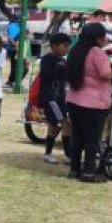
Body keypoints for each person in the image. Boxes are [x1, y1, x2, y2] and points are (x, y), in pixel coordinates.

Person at [65, 23, 112, 183]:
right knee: (92, 140)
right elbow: (106, 75)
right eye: (103, 36)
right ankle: (88, 172)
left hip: (74, 100)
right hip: (94, 104)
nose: (105, 39)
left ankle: (74, 169)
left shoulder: (75, 50)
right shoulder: (97, 53)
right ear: (97, 38)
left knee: (77, 137)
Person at [38, 32, 72, 164]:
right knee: (62, 124)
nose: (66, 48)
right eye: (64, 45)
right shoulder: (47, 59)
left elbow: (67, 78)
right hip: (51, 98)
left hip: (60, 98)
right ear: (54, 46)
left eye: (68, 46)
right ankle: (63, 155)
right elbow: (46, 75)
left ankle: (53, 153)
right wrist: (60, 68)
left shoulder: (64, 61)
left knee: (56, 125)